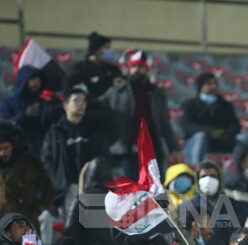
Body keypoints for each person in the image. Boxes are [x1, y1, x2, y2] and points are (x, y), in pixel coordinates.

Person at [101, 49, 178, 176]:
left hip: (152, 151)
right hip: (126, 151)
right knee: (129, 191)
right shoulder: (117, 92)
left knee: (154, 192)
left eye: (141, 66)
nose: (136, 70)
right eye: (134, 66)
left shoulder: (156, 93)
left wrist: (173, 148)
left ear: (147, 69)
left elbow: (164, 122)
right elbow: (99, 107)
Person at [41, 85, 106, 214]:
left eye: (83, 101)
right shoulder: (56, 132)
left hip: (91, 188)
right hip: (68, 188)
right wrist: (58, 182)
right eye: (76, 100)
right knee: (71, 229)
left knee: (95, 229)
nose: (81, 104)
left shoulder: (92, 130)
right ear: (65, 105)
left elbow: (103, 156)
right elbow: (46, 161)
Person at [180, 73, 244, 167]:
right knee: (200, 137)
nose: (213, 86)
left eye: (215, 84)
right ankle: (196, 170)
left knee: (243, 139)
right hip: (197, 142)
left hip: (220, 142)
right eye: (209, 84)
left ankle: (241, 170)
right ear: (201, 86)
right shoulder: (190, 105)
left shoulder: (225, 105)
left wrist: (226, 133)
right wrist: (210, 132)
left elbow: (235, 126)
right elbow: (187, 126)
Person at [0, 122, 55, 227]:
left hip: (27, 225)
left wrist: (38, 210)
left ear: (13, 146)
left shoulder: (30, 164)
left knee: (31, 244)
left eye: (5, 148)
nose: (2, 153)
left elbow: (49, 189)